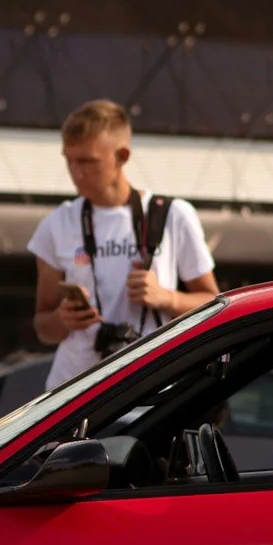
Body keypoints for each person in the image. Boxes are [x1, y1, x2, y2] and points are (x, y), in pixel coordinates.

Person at [27, 100, 218, 392]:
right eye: (69, 160)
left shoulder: (173, 215)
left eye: (87, 161)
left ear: (122, 156)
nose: (76, 173)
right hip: (73, 396)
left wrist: (167, 299)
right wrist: (62, 319)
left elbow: (214, 305)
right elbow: (43, 326)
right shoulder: (57, 223)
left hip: (152, 392)